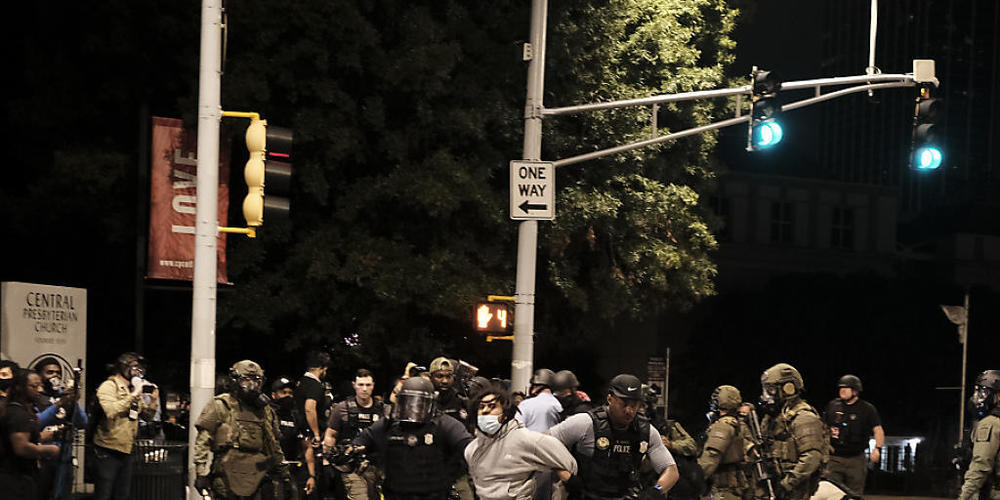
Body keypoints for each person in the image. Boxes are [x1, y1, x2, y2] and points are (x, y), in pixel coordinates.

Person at [548, 373, 679, 500]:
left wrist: (656, 491)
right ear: (610, 399)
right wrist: (566, 476)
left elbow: (671, 470)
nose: (629, 410)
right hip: (586, 495)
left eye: (634, 405)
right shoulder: (585, 423)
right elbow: (545, 443)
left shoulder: (646, 431)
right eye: (624, 403)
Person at [352, 376, 473, 500]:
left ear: (431, 403)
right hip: (395, 494)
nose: (413, 409)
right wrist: (351, 450)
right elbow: (361, 441)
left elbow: (468, 446)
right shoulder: (389, 424)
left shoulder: (445, 424)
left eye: (419, 403)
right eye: (408, 403)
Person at [193, 360, 292, 499]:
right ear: (235, 381)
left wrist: (284, 474)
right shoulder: (221, 405)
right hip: (225, 477)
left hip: (255, 477)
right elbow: (203, 440)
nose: (252, 385)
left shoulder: (264, 410)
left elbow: (272, 444)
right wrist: (201, 473)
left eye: (256, 380)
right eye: (246, 380)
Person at [465, 383, 577, 500]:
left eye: (492, 406)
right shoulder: (471, 450)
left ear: (505, 414)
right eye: (481, 407)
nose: (485, 411)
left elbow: (568, 468)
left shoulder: (526, 440)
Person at [92, 352, 159, 500]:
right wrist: (134, 394)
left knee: (122, 494)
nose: (138, 372)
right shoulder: (109, 386)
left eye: (141, 368)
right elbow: (111, 411)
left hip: (127, 449)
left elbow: (146, 417)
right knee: (104, 494)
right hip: (107, 449)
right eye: (135, 367)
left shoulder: (132, 389)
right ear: (123, 368)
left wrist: (153, 401)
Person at [758, 363, 828, 500]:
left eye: (771, 390)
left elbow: (812, 457)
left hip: (795, 490)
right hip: (775, 486)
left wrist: (786, 484)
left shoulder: (804, 418)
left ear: (788, 388)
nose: (767, 395)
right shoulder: (773, 418)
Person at [32, 357, 88, 500]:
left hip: (64, 456)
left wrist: (73, 402)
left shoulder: (64, 395)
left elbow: (82, 423)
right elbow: (37, 423)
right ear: (39, 375)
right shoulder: (35, 397)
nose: (55, 376)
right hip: (42, 456)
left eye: (58, 373)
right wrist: (58, 404)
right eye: (50, 372)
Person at [0, 369, 61, 499]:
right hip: (14, 480)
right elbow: (22, 448)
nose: (39, 390)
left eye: (40, 386)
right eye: (34, 386)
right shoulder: (17, 413)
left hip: (24, 477)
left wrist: (52, 435)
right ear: (20, 388)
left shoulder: (22, 410)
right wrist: (50, 450)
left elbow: (29, 437)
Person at [324, 368, 385, 500]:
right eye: (361, 384)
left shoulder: (383, 410)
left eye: (368, 385)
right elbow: (330, 434)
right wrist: (327, 459)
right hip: (351, 465)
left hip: (377, 465)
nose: (364, 389)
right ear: (354, 385)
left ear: (373, 385)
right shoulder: (342, 408)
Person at [822, 374, 883, 496]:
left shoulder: (867, 409)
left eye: (846, 388)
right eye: (840, 388)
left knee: (854, 494)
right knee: (831, 492)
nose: (842, 390)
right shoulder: (833, 406)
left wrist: (878, 448)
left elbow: (878, 430)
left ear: (855, 391)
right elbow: (823, 427)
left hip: (856, 459)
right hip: (834, 458)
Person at [698, 385, 750, 500]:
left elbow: (711, 457)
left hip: (722, 489)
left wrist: (694, 479)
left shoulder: (723, 425)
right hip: (730, 487)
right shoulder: (736, 423)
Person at [959, 369, 1000, 500]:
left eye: (984, 391)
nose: (979, 397)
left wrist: (964, 496)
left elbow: (981, 466)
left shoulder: (991, 423)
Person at [272, 376, 316, 497]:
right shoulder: (267, 414)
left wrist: (311, 476)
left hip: (293, 472)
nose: (287, 396)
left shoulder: (296, 417)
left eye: (290, 393)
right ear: (274, 395)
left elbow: (307, 447)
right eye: (283, 392)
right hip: (271, 472)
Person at [296, 351, 332, 448]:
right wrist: (316, 433)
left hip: (298, 429)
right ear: (323, 368)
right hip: (308, 433)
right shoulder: (315, 385)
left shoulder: (301, 382)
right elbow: (309, 409)